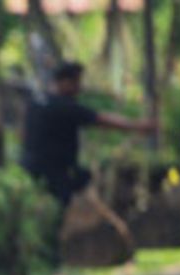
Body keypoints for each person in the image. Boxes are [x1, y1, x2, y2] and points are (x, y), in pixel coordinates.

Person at [20, 61, 157, 264]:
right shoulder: (64, 106)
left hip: (32, 167)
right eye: (76, 82)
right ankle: (56, 253)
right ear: (65, 82)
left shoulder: (37, 103)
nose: (79, 88)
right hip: (55, 173)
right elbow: (102, 120)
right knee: (61, 210)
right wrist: (138, 126)